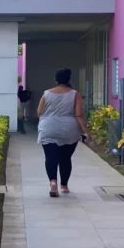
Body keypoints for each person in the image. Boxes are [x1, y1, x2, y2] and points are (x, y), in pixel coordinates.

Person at [36, 68, 90, 197]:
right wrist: (86, 132)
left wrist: (46, 121)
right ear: (68, 80)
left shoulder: (46, 94)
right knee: (65, 158)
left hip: (48, 127)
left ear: (55, 80)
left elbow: (39, 111)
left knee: (50, 157)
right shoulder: (75, 94)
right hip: (69, 129)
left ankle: (53, 182)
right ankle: (64, 185)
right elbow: (79, 114)